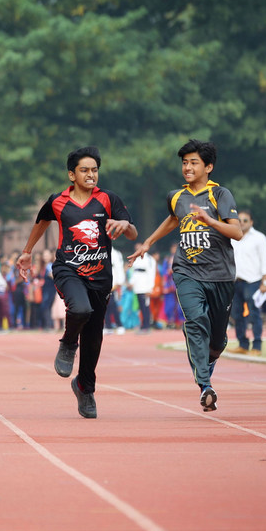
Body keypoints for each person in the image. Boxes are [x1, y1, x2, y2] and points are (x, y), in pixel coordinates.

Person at [17, 147, 136, 419]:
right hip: (67, 269)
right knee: (80, 309)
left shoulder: (108, 199)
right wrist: (27, 251)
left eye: (94, 170)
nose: (90, 174)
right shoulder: (58, 201)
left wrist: (123, 225)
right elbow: (42, 221)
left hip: (101, 277)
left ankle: (85, 387)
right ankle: (69, 343)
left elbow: (132, 232)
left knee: (94, 340)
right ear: (72, 174)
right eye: (84, 170)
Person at [128, 139, 242, 413]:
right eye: (184, 163)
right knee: (195, 320)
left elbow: (237, 232)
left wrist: (211, 221)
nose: (187, 168)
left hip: (221, 276)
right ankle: (205, 385)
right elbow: (173, 219)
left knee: (218, 341)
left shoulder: (220, 195)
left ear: (208, 167)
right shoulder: (176, 196)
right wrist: (148, 243)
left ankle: (209, 360)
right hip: (187, 272)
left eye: (194, 163)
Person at [227, 210, 266, 356]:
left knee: (254, 314)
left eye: (245, 220)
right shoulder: (233, 237)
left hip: (253, 281)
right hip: (235, 280)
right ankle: (243, 344)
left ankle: (257, 346)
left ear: (251, 222)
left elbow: (265, 260)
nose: (241, 222)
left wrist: (265, 281)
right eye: (239, 220)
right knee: (236, 314)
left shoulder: (259, 238)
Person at [128, 242, 157, 332]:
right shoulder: (136, 259)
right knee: (141, 306)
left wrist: (150, 288)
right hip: (137, 286)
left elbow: (152, 274)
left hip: (145, 286)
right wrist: (131, 282)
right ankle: (143, 324)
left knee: (145, 306)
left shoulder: (149, 259)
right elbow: (134, 272)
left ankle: (146, 325)